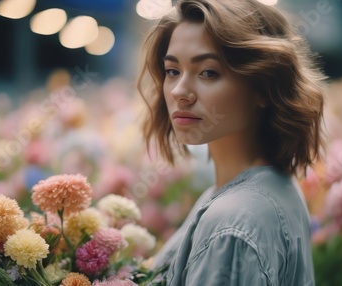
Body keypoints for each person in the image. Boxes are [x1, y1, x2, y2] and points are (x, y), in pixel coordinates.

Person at [137, 0, 326, 285]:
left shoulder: (233, 223)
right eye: (173, 71)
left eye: (208, 72)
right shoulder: (267, 184)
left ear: (263, 87)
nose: (179, 92)